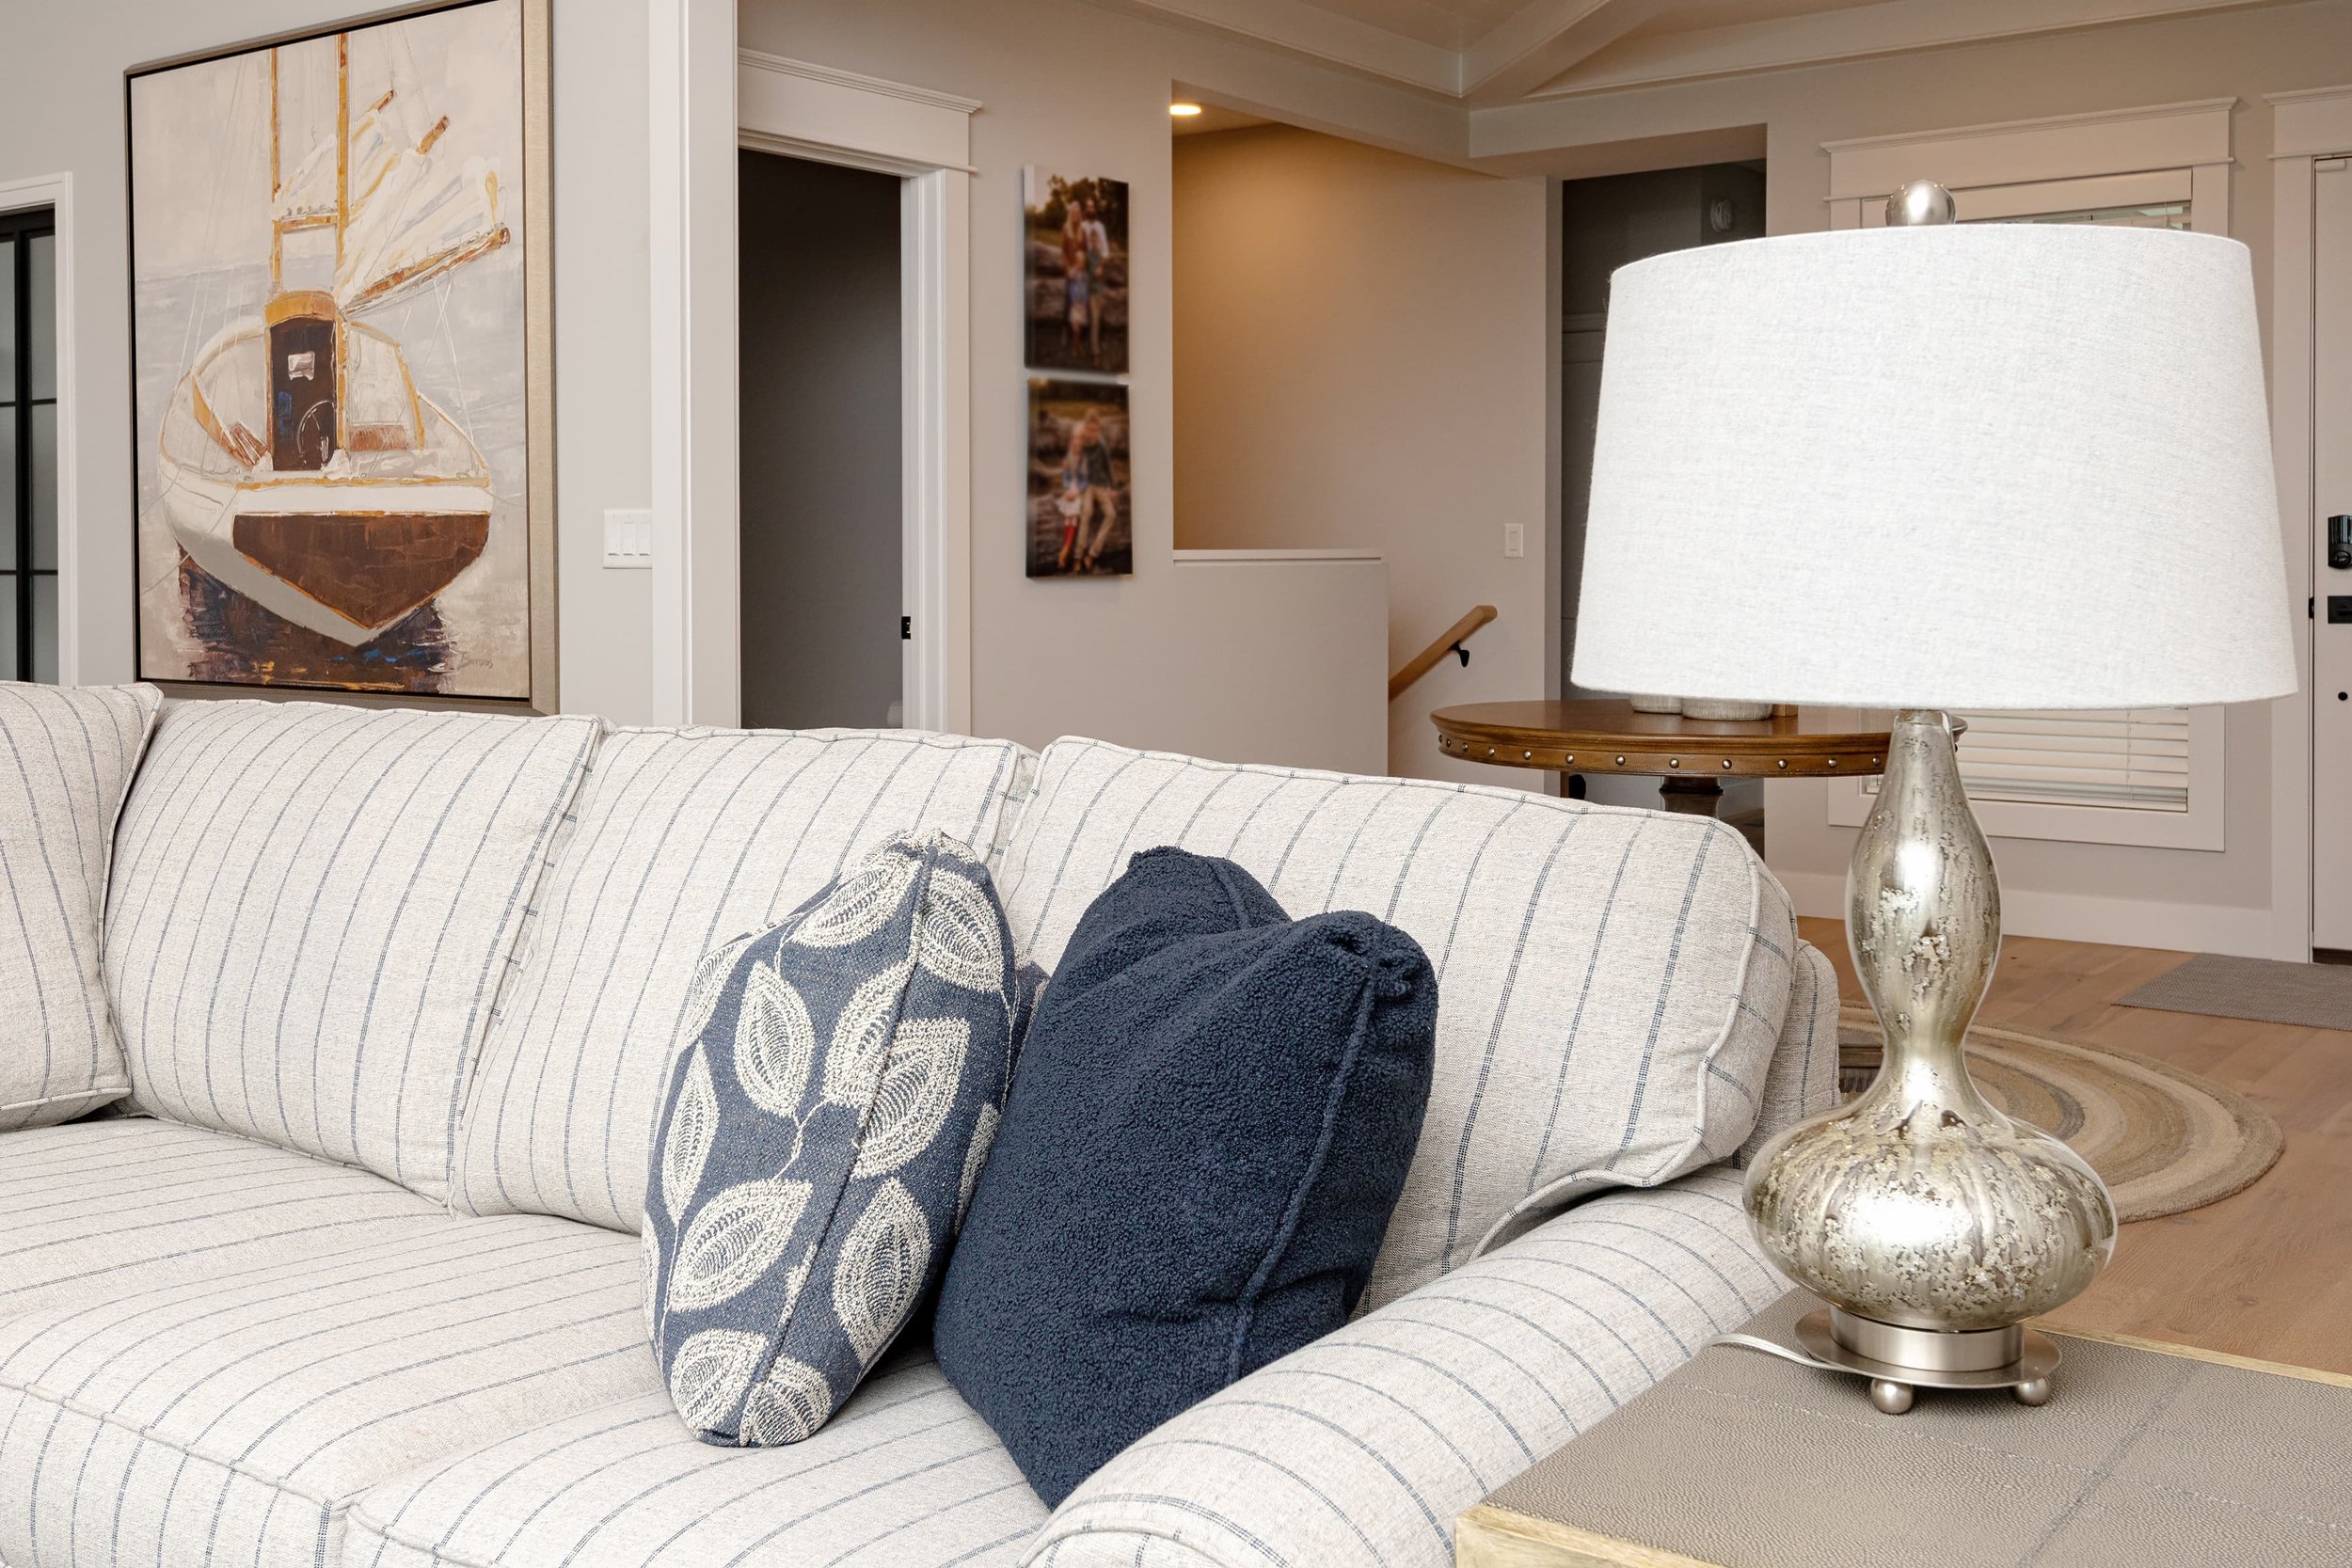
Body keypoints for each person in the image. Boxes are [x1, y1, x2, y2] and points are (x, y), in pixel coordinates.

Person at [1073, 410, 1120, 572]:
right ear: (1085, 429)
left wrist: (1113, 488)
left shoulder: (1102, 447)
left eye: (1095, 430)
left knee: (1111, 514)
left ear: (1098, 430)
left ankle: (1093, 553)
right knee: (1086, 513)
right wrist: (1077, 487)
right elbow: (1077, 467)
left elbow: (1109, 469)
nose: (1092, 433)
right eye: (1089, 430)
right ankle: (1078, 556)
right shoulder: (1082, 446)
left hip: (1101, 486)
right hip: (1087, 486)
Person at [1081, 198, 1113, 366]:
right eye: (1088, 207)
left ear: (1095, 209)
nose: (1090, 209)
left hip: (1099, 273)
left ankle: (1098, 344)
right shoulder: (1083, 226)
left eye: (1092, 206)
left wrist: (1100, 266)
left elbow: (1106, 252)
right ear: (1085, 210)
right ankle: (1094, 350)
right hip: (1088, 278)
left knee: (1101, 317)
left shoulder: (1100, 227)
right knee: (1091, 317)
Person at [1054, 427, 1090, 572]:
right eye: (1074, 444)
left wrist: (1077, 492)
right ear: (1071, 444)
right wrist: (1067, 490)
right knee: (1067, 520)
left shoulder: (1084, 459)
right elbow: (1066, 477)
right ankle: (1064, 550)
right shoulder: (1068, 459)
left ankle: (1064, 552)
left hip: (1079, 491)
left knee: (1073, 518)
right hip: (1070, 489)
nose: (1076, 447)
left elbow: (1085, 479)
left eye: (1079, 445)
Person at [1061, 205, 1089, 364]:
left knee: (1081, 307)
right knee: (1069, 303)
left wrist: (1080, 266)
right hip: (1070, 274)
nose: (1075, 216)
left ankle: (1080, 339)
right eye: (1073, 213)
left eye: (1077, 213)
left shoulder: (1083, 232)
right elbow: (1063, 252)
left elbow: (1084, 252)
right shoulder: (1066, 230)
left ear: (1080, 215)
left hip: (1080, 271)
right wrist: (1068, 270)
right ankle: (1068, 335)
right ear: (1070, 214)